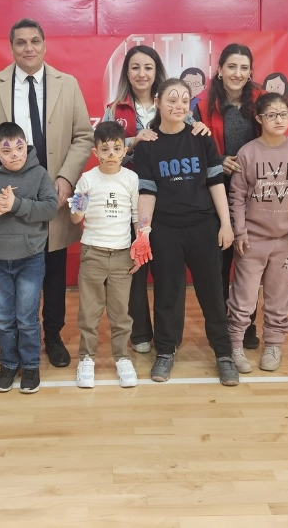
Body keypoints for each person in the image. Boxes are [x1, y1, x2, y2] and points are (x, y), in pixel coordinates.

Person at [0, 18, 93, 369]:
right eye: (20, 42)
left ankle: (52, 334)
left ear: (44, 45)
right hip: (6, 198)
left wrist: (66, 177)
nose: (28, 48)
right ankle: (14, 343)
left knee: (53, 268)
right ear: (11, 47)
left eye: (35, 41)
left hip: (51, 194)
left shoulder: (67, 84)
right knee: (11, 273)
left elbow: (83, 136)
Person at [101, 45, 209, 354]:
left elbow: (193, 139)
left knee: (169, 271)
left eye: (148, 67)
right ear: (126, 72)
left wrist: (199, 127)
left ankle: (169, 332)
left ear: (157, 71)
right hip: (127, 199)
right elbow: (106, 150)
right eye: (135, 67)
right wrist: (134, 141)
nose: (142, 74)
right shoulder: (115, 109)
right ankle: (139, 332)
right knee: (133, 264)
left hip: (170, 198)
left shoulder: (174, 101)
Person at [133, 78, 239, 386]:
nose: (178, 105)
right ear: (157, 102)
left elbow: (216, 183)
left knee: (213, 293)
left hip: (203, 226)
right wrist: (143, 232)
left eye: (184, 100)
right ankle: (165, 351)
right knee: (167, 293)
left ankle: (223, 354)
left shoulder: (201, 137)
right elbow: (147, 192)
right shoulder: (148, 145)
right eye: (171, 99)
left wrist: (226, 224)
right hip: (165, 230)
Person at [228, 93, 288, 374]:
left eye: (283, 114)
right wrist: (239, 232)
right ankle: (235, 345)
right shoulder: (247, 153)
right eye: (272, 115)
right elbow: (237, 197)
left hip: (286, 242)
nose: (279, 120)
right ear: (259, 118)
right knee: (244, 298)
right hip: (252, 241)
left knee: (279, 297)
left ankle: (274, 345)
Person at [0, 122, 59, 394]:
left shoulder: (39, 174)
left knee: (27, 317)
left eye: (19, 148)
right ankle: (9, 363)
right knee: (3, 318)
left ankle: (31, 365)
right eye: (7, 150)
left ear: (26, 145)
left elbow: (51, 208)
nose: (15, 155)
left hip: (29, 258)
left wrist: (16, 204)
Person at [195, 44, 262, 350]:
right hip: (215, 194)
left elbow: (277, 138)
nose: (237, 73)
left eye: (244, 68)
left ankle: (246, 325)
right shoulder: (202, 105)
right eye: (231, 66)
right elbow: (193, 149)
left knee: (249, 266)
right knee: (218, 266)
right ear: (220, 70)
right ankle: (221, 328)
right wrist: (219, 161)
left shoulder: (261, 101)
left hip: (255, 196)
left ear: (250, 72)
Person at [68, 121, 142, 389]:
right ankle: (86, 358)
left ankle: (122, 358)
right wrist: (80, 205)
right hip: (93, 254)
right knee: (89, 313)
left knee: (121, 313)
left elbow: (136, 216)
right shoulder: (87, 179)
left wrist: (139, 246)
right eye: (105, 149)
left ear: (125, 151)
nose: (111, 154)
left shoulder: (131, 179)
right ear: (95, 151)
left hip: (122, 254)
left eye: (117, 148)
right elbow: (75, 218)